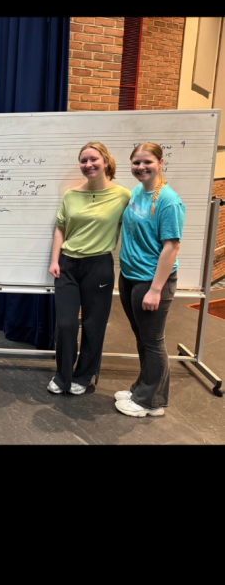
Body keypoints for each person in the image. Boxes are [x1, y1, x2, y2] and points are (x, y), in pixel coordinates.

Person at [48, 141, 131, 395]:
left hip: (99, 265)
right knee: (66, 324)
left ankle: (84, 376)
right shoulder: (71, 195)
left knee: (94, 325)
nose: (88, 164)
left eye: (93, 159)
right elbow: (61, 228)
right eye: (83, 161)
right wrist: (54, 260)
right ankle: (62, 375)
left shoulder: (123, 196)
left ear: (106, 161)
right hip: (68, 265)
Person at [115, 141, 185, 418]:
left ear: (160, 163)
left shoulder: (168, 200)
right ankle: (144, 389)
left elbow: (171, 247)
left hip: (151, 281)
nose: (141, 167)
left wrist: (156, 290)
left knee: (153, 342)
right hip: (130, 276)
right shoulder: (137, 191)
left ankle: (150, 401)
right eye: (136, 162)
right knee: (143, 338)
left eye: (147, 162)